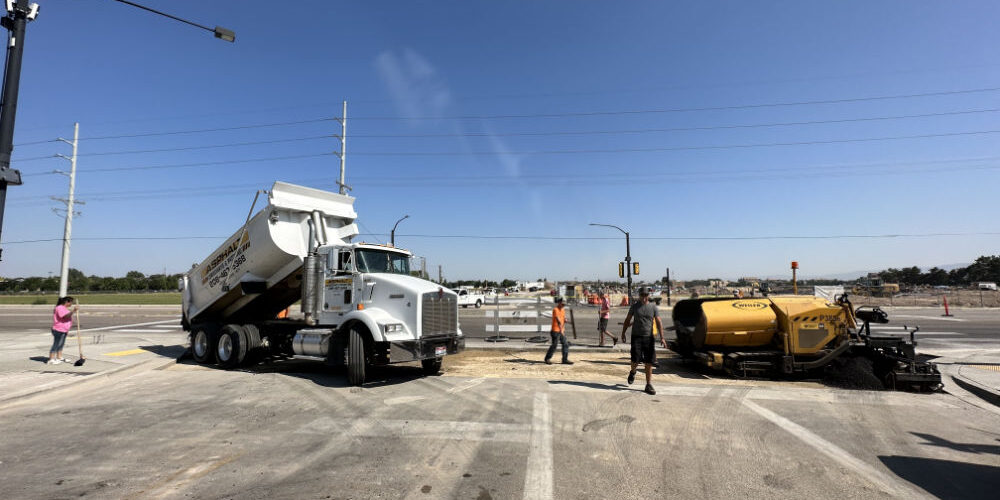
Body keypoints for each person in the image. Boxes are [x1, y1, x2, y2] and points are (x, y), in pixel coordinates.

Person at [621, 288, 666, 395]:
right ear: (639, 295)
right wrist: (623, 333)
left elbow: (659, 322)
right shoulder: (635, 306)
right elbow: (627, 320)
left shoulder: (653, 307)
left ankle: (648, 384)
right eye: (642, 295)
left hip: (649, 337)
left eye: (646, 295)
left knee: (649, 362)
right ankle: (633, 371)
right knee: (635, 360)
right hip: (636, 336)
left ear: (648, 295)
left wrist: (662, 338)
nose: (644, 297)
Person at [49, 296, 78, 365]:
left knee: (61, 344)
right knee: (56, 344)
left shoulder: (64, 308)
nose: (71, 304)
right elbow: (65, 316)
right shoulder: (59, 308)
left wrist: (74, 324)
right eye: (71, 302)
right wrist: (73, 311)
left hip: (64, 329)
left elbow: (67, 318)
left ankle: (59, 357)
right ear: (66, 302)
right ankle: (51, 359)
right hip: (58, 329)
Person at [544, 297, 573, 365]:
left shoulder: (563, 310)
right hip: (555, 330)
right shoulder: (555, 309)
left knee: (565, 344)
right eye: (562, 304)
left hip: (561, 330)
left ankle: (564, 359)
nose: (563, 305)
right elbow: (557, 319)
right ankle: (547, 358)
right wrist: (560, 326)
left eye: (564, 305)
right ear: (559, 303)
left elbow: (563, 318)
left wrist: (567, 321)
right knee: (554, 345)